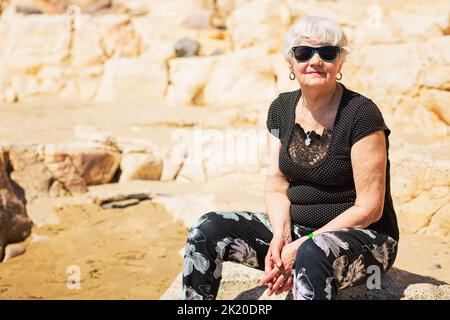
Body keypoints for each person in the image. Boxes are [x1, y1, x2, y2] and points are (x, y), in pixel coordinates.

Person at [181, 16, 399, 300]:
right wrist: (281, 237)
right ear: (290, 63)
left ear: (341, 62)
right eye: (304, 52)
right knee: (207, 227)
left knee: (312, 252)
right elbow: (275, 183)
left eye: (328, 52)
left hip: (365, 239)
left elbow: (369, 208)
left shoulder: (361, 113)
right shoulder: (281, 108)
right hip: (298, 232)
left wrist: (302, 246)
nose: (316, 60)